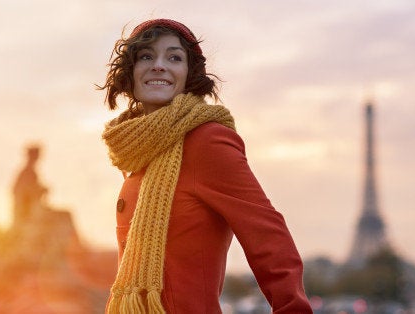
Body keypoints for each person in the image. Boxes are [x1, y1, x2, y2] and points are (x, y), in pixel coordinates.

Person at [99, 19, 312, 313]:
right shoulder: (138, 155)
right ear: (130, 73)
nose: (159, 65)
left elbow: (267, 235)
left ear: (190, 75)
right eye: (146, 56)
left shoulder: (207, 142)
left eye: (174, 57)